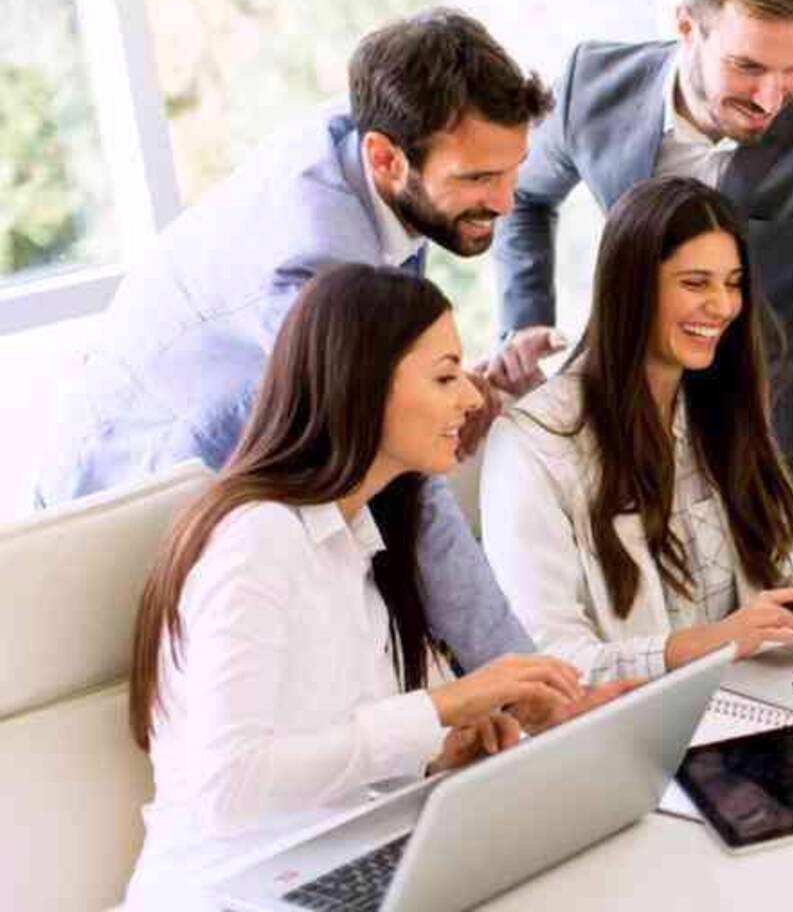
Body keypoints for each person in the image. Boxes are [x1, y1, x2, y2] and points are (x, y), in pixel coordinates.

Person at [39, 9, 560, 671]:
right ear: (386, 159)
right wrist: (521, 673)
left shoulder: (386, 135)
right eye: (479, 179)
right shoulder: (312, 261)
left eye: (513, 170)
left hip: (235, 463)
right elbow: (403, 472)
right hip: (129, 499)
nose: (508, 201)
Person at [123, 265, 628, 906]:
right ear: (362, 385)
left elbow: (330, 744)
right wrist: (443, 706)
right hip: (230, 890)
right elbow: (229, 788)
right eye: (444, 377)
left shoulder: (361, 536)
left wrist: (434, 754)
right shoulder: (259, 539)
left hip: (337, 861)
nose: (472, 399)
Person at [494, 0, 793, 570]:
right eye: (747, 67)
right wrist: (525, 318)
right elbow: (521, 195)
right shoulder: (592, 88)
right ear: (687, 28)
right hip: (637, 441)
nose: (772, 98)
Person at [482, 176, 793, 683]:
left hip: (752, 698)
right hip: (639, 723)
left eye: (733, 283)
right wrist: (713, 642)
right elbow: (552, 664)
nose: (723, 306)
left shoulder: (715, 408)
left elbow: (730, 593)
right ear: (630, 287)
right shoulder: (532, 443)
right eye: (696, 283)